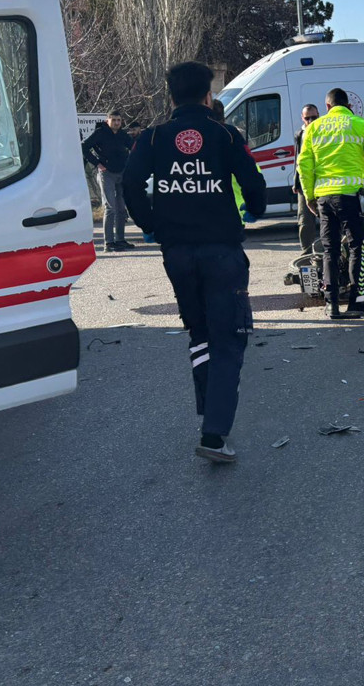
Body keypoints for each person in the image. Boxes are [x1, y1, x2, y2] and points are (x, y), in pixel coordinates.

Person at [122, 61, 267, 464]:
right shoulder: (224, 134)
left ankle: (210, 416)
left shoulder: (152, 138)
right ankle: (215, 434)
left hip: (177, 251)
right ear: (209, 96)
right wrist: (254, 209)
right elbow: (252, 181)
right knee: (228, 337)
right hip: (220, 250)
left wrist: (150, 224)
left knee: (200, 332)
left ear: (171, 97)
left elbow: (130, 183)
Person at [298, 88, 364, 320]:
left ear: (328, 107)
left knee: (330, 250)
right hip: (351, 197)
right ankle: (358, 302)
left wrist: (310, 196)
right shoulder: (360, 125)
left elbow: (303, 165)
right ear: (347, 105)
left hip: (324, 198)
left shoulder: (313, 128)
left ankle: (331, 305)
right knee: (357, 248)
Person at [82, 110, 135, 253]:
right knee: (110, 207)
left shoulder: (123, 135)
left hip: (121, 173)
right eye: (114, 120)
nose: (117, 122)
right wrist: (97, 163)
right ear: (107, 121)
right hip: (107, 174)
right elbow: (84, 147)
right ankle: (109, 242)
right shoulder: (100, 133)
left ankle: (120, 240)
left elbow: (134, 148)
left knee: (121, 209)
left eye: (119, 120)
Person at [292, 104, 321, 256]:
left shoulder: (325, 132)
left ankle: (327, 250)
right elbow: (298, 159)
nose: (310, 121)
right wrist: (296, 182)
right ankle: (307, 253)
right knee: (305, 220)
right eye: (307, 118)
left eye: (314, 117)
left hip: (322, 182)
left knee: (326, 218)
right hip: (305, 183)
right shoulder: (300, 134)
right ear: (302, 118)